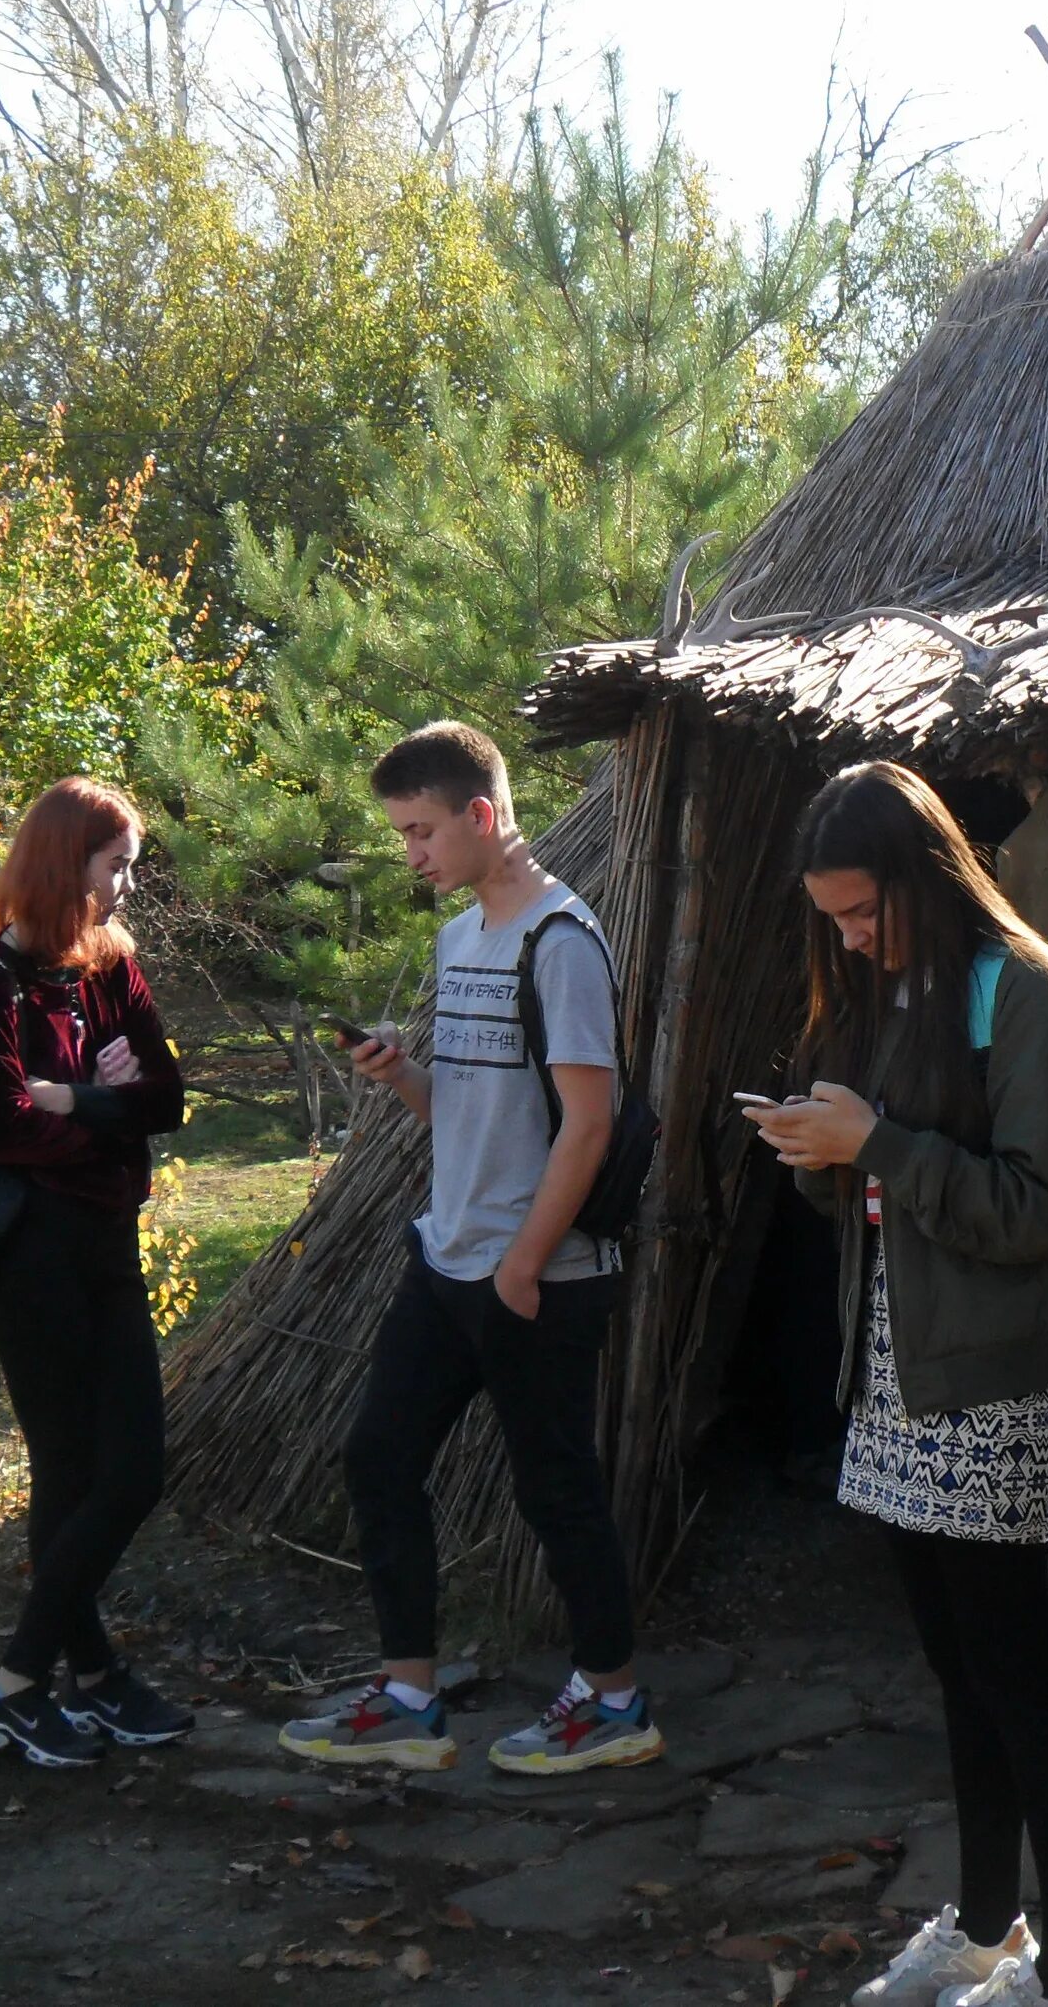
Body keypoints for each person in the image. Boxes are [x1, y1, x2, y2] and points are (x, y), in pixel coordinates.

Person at [746, 760, 1048, 2007]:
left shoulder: (1029, 996)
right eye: (834, 920)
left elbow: (1042, 1210)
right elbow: (875, 1196)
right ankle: (983, 1922)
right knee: (961, 1678)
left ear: (924, 874)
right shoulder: (889, 990)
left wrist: (880, 1144)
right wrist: (818, 1147)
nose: (848, 938)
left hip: (995, 1385)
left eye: (864, 911)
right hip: (898, 1376)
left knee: (1022, 1680)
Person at [281, 720, 659, 1777]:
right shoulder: (462, 941)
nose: (412, 855)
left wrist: (526, 1265)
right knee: (379, 1457)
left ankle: (617, 1701)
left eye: (420, 832)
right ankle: (409, 1695)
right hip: (445, 1261)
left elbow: (589, 1124)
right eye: (403, 834)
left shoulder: (565, 942)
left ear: (481, 817)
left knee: (556, 1488)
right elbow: (474, 1112)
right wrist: (400, 1075)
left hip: (536, 1276)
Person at [0, 777, 193, 1768]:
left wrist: (70, 1098)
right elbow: (3, 1128)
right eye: (116, 866)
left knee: (134, 1468)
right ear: (67, 864)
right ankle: (68, 1680)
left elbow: (168, 1098)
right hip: (29, 1259)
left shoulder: (111, 971)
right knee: (72, 1469)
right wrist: (102, 1100)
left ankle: (29, 1680)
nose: (128, 887)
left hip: (104, 1243)